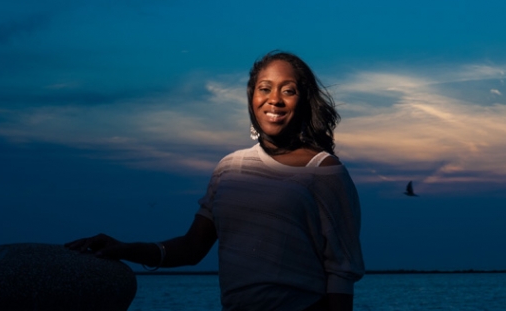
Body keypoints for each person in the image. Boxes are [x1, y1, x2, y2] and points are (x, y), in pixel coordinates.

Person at [67, 51, 364, 311]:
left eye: (288, 90)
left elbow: (341, 270)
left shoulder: (324, 171)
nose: (274, 99)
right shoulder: (229, 168)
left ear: (304, 100)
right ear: (252, 97)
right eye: (264, 88)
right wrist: (124, 249)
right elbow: (191, 248)